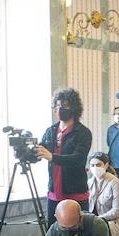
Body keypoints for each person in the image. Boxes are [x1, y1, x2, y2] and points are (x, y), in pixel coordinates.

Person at [38, 88, 92, 223]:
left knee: (77, 232)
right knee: (53, 231)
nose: (60, 108)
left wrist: (52, 157)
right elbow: (41, 149)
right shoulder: (50, 130)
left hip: (75, 192)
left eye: (64, 105)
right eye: (57, 105)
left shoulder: (83, 132)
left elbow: (78, 158)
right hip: (54, 192)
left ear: (74, 108)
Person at [86, 151, 119, 236]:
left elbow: (117, 211)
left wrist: (98, 219)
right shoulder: (90, 183)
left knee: (96, 232)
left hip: (113, 222)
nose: (95, 168)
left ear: (106, 165)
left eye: (98, 165)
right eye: (92, 165)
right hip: (94, 221)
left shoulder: (115, 183)